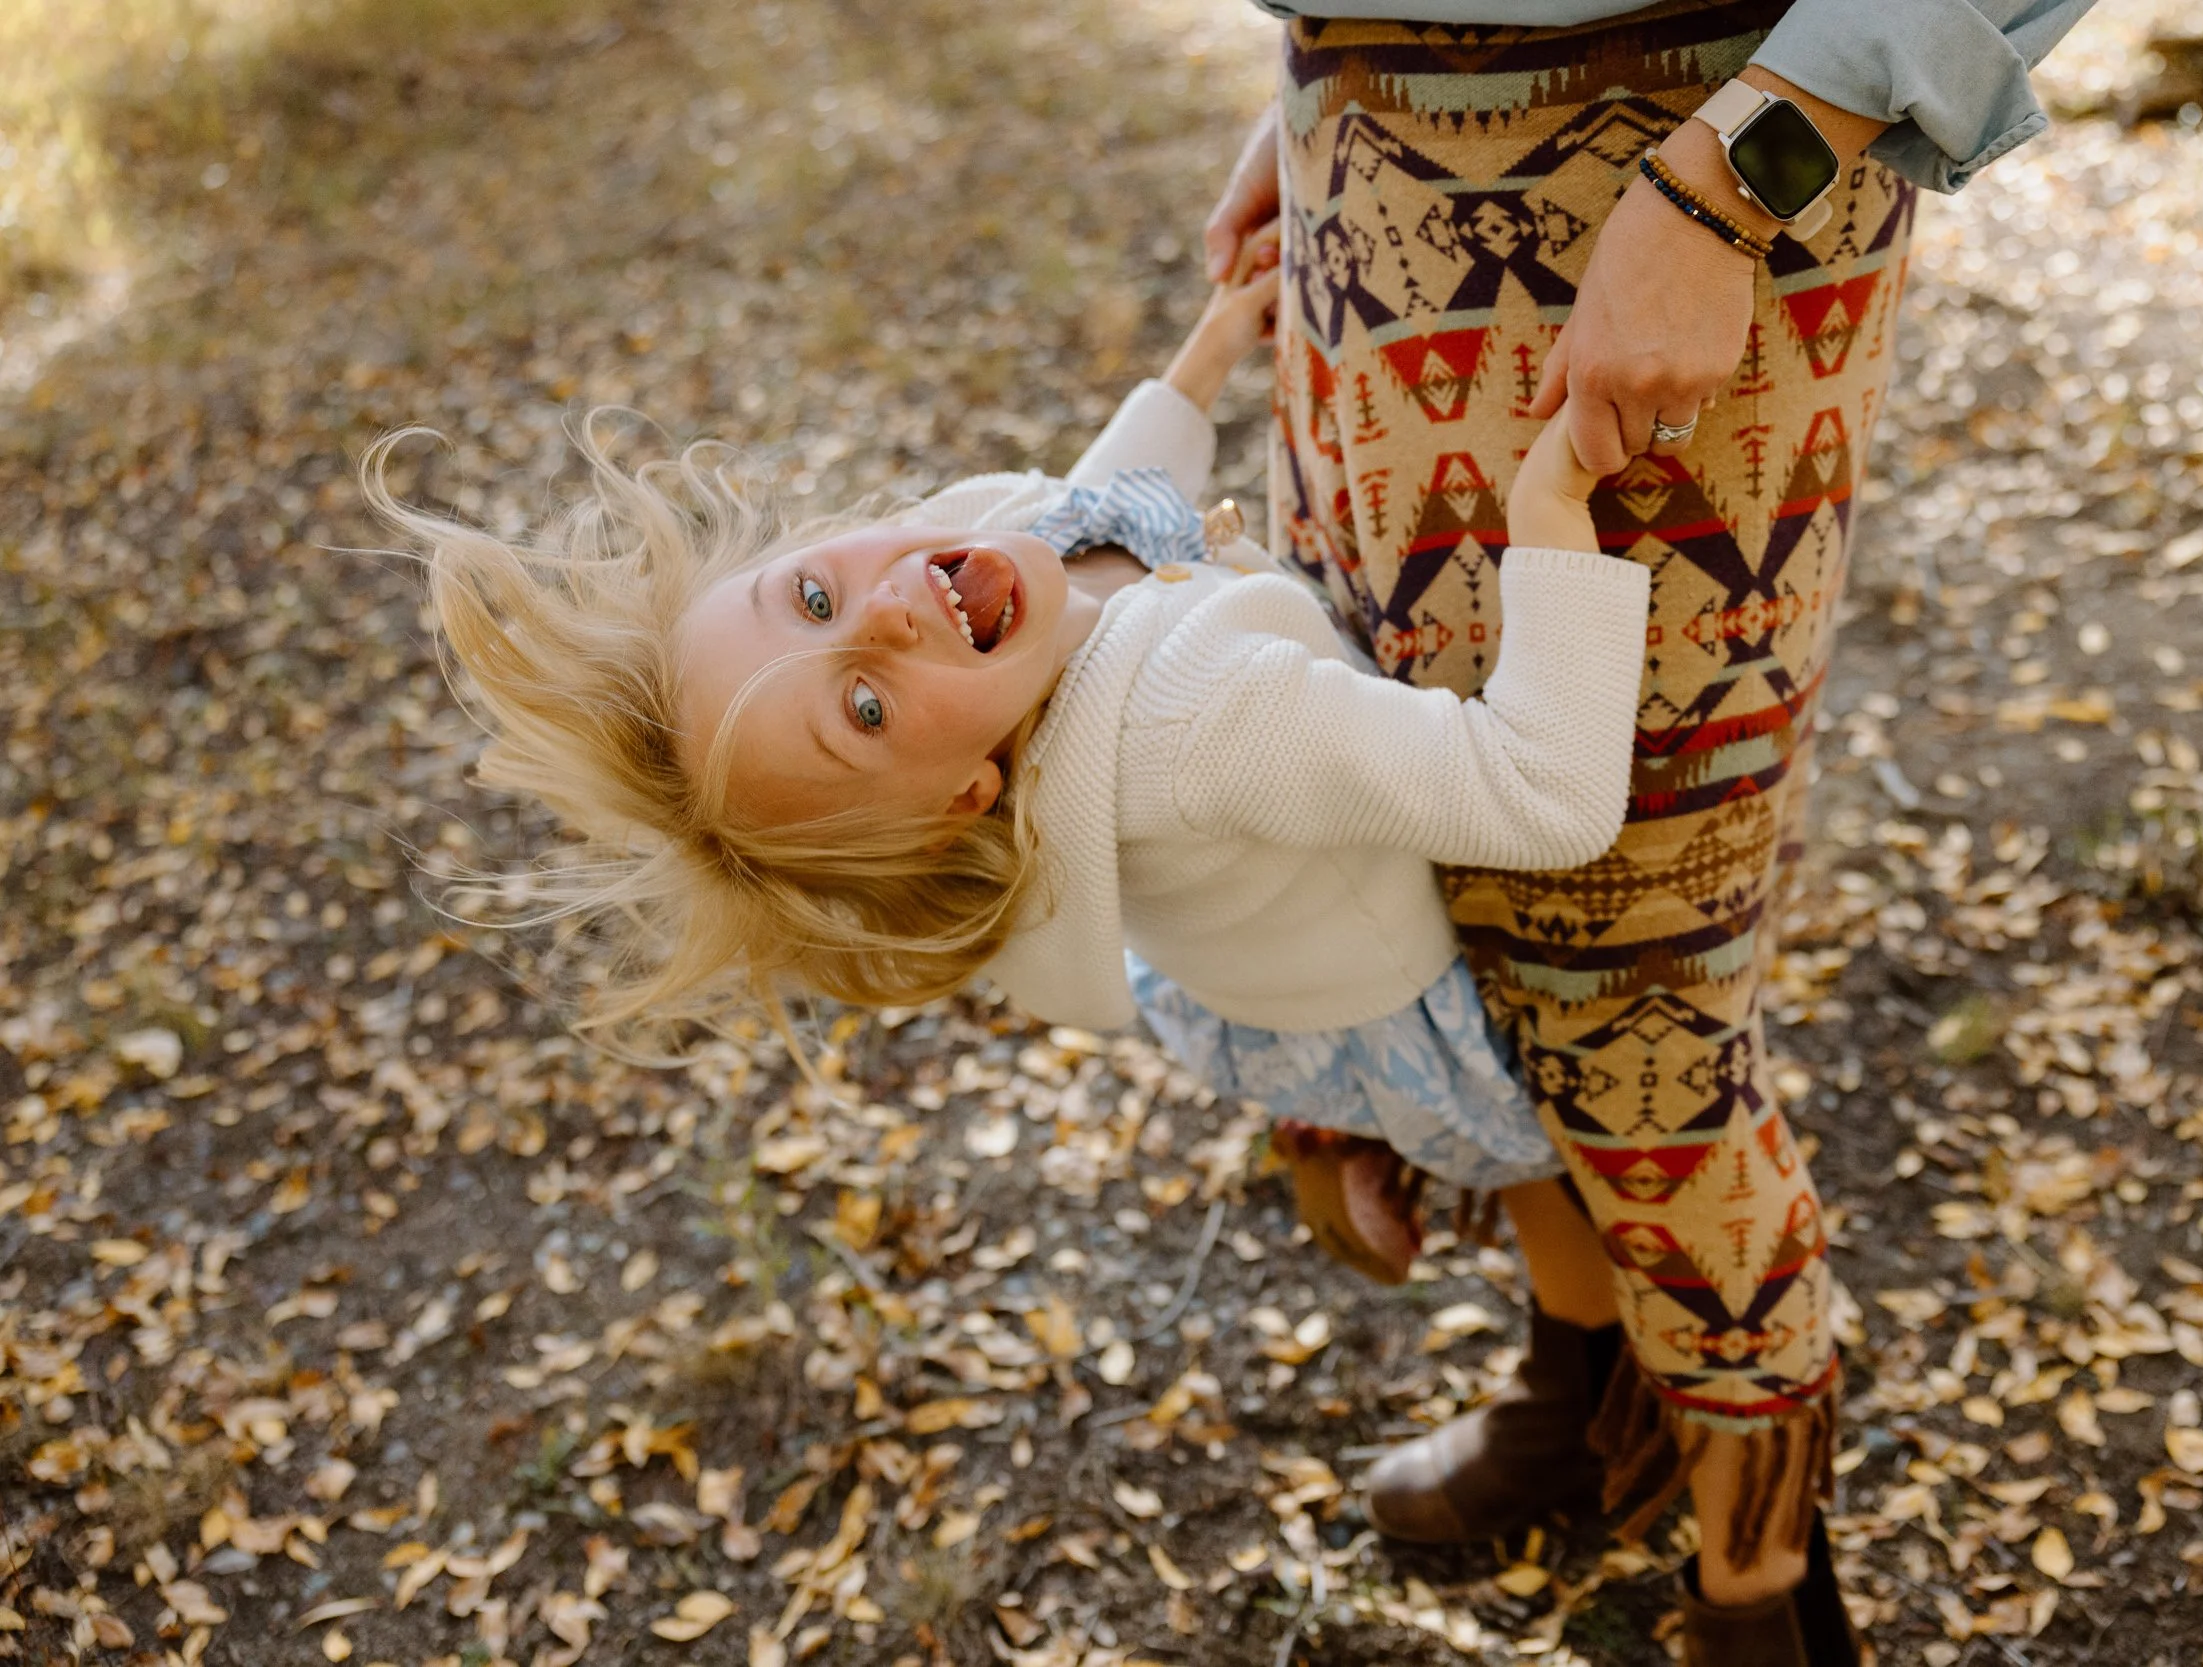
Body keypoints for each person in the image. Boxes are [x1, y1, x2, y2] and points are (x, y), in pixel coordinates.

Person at [368, 236, 1653, 1498]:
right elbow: (1541, 795)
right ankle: (1570, 1382)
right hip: (1371, 978)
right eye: (864, 708)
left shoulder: (971, 558)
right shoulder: (1200, 718)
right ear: (964, 796)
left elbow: (1092, 512)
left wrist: (1201, 360)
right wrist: (1546, 514)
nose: (880, 614)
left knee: (1288, 995)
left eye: (811, 599)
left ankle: (1329, 1124)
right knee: (1538, 1168)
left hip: (1241, 953)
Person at [1201, 2, 2099, 1661]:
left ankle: (1763, 1603)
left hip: (1682, 162)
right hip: (1369, 171)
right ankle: (1587, 1394)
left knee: (1636, 981)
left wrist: (1743, 174)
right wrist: (1330, 84)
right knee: (1448, 905)